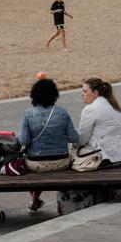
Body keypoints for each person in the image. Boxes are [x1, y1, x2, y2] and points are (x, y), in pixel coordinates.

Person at [57, 78, 121, 215]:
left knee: (69, 157)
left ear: (95, 93)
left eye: (85, 91)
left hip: (103, 159)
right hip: (118, 157)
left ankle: (71, 206)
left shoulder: (90, 109)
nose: (82, 94)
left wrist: (71, 142)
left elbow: (82, 139)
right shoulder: (113, 105)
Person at [19, 78, 79, 214]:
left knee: (23, 162)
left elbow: (24, 141)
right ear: (54, 94)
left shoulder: (28, 114)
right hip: (61, 162)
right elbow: (73, 138)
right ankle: (35, 200)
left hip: (36, 164)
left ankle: (34, 198)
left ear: (34, 95)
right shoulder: (62, 113)